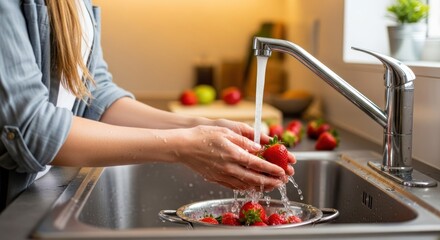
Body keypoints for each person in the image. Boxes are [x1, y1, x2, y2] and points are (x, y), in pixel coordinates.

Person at [0, 0, 295, 210]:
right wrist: (183, 146)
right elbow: (33, 128)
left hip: (34, 191)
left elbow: (94, 97)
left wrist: (199, 127)